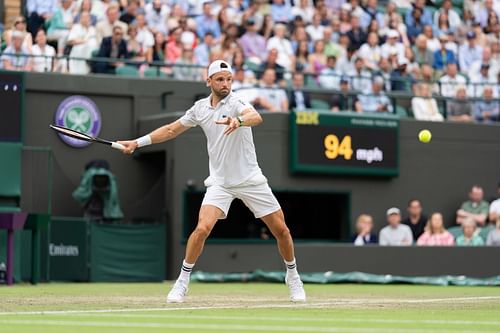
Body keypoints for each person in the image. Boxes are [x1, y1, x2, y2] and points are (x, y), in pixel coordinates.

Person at [117, 60, 306, 303]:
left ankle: (292, 276)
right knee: (202, 228)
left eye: (228, 79)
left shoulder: (237, 102)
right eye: (220, 79)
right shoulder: (199, 109)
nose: (225, 83)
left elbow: (255, 116)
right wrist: (137, 143)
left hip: (250, 179)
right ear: (209, 81)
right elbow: (172, 130)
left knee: (281, 230)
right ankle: (182, 282)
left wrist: (238, 121)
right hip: (220, 182)